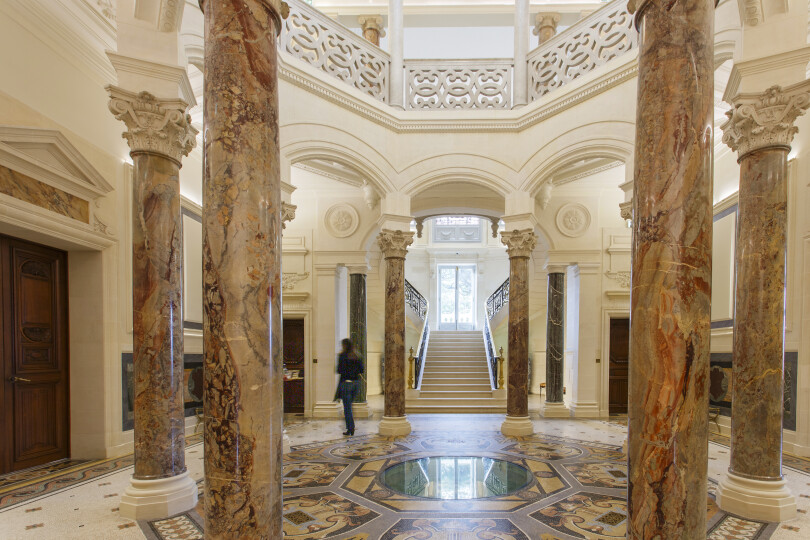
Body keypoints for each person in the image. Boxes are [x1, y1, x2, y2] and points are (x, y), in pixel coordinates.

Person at [337, 338, 364, 436]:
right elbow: (362, 370)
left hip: (346, 383)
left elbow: (339, 370)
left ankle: (350, 428)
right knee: (350, 406)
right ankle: (351, 426)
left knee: (347, 408)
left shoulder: (342, 356)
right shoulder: (357, 356)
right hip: (356, 383)